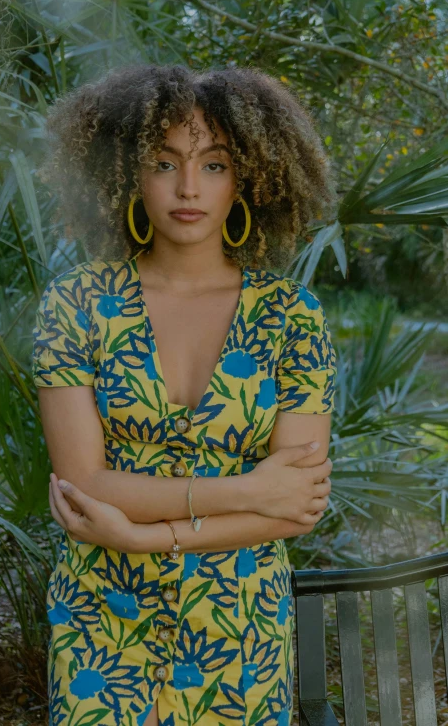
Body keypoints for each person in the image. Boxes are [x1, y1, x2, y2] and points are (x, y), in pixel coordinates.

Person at [32, 64, 338, 726]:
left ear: (251, 176)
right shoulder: (77, 303)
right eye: (164, 163)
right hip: (100, 621)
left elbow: (295, 510)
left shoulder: (292, 316)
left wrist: (144, 537)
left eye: (215, 165)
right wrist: (248, 490)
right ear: (127, 173)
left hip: (240, 626)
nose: (189, 187)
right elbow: (83, 482)